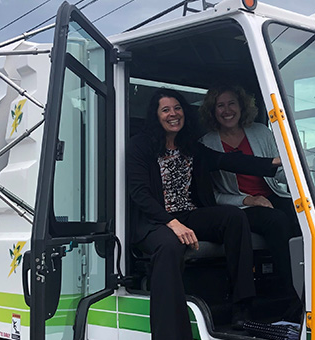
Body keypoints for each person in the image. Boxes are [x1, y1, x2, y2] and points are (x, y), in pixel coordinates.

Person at [127, 88, 280, 340]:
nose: (173, 114)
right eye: (165, 110)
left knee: (234, 217)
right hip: (154, 222)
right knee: (170, 245)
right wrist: (171, 223)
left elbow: (229, 161)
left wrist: (275, 162)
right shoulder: (140, 146)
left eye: (177, 109)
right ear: (156, 116)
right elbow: (140, 193)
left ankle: (242, 308)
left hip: (188, 215)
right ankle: (171, 334)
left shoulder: (191, 145)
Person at [199, 84, 301, 302]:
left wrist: (302, 185)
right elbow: (213, 196)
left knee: (301, 214)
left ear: (242, 106)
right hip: (239, 206)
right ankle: (291, 293)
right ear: (212, 111)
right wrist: (248, 199)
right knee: (277, 220)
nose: (227, 110)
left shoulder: (261, 132)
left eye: (231, 103)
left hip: (272, 194)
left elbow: (279, 172)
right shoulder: (206, 144)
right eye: (220, 106)